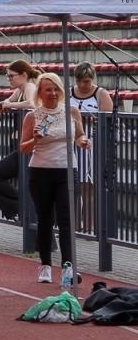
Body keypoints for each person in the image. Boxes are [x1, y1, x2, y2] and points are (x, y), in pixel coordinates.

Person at [20, 72, 89, 283]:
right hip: (41, 170)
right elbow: (23, 148)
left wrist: (83, 141)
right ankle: (45, 265)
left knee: (67, 220)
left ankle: (68, 266)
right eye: (48, 89)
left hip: (67, 170)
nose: (52, 93)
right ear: (40, 92)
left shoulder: (72, 111)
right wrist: (35, 139)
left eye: (56, 89)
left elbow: (79, 135)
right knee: (45, 219)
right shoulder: (33, 116)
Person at [0, 59, 40, 221]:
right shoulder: (20, 89)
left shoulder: (29, 86)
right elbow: (7, 101)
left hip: (29, 146)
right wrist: (2, 105)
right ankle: (22, 209)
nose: (9, 79)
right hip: (19, 144)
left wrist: (9, 106)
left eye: (11, 76)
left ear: (24, 75)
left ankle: (23, 209)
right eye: (7, 76)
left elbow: (32, 104)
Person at [68, 62, 113, 233]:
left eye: (86, 81)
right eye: (79, 81)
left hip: (92, 144)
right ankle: (73, 224)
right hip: (72, 142)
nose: (82, 85)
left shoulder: (100, 94)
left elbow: (107, 121)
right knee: (73, 184)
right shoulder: (69, 93)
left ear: (92, 79)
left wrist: (93, 120)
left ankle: (89, 225)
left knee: (89, 186)